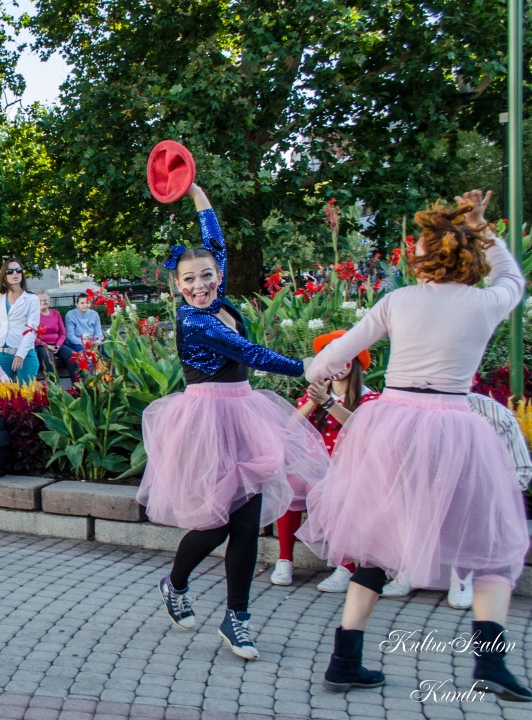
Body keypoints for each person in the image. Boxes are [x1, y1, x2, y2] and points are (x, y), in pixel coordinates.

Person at [299, 190, 530, 700]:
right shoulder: (486, 303)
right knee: (490, 545)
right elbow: (513, 279)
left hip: (393, 426)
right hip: (454, 428)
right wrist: (482, 226)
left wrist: (320, 374)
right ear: (470, 257)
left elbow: (329, 360)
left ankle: (345, 661)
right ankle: (491, 664)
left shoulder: (397, 301)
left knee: (376, 543)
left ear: (423, 257)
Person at [137, 183, 329, 662]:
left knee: (246, 525)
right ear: (177, 285)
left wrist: (195, 192)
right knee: (217, 523)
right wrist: (304, 366)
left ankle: (237, 618)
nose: (199, 285)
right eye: (188, 280)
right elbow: (250, 352)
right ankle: (175, 583)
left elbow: (214, 241)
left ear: (218, 275)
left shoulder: (217, 297)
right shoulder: (194, 320)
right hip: (206, 423)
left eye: (207, 275)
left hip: (244, 416)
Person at [377, 391, 532, 610]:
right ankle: (410, 570)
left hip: (478, 493)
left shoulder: (492, 412)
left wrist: (493, 494)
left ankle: (462, 577)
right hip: (427, 489)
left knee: (468, 499)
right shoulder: (415, 409)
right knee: (404, 495)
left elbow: (521, 469)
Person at [270, 330, 379, 590]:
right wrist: (313, 401)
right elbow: (290, 427)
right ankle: (285, 559)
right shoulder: (317, 395)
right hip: (317, 466)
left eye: (343, 358)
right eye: (330, 358)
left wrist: (328, 402)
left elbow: (360, 428)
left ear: (354, 363)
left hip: (353, 470)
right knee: (291, 484)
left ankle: (346, 567)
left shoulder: (370, 398)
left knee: (318, 489)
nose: (337, 364)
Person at [0, 259, 40, 384]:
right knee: (1, 393)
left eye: (18, 270)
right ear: (4, 276)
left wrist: (20, 354)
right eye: (10, 271)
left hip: (24, 352)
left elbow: (32, 329)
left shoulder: (32, 299)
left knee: (26, 393)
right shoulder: (1, 298)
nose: (15, 274)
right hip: (2, 353)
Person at [33, 291, 76, 380]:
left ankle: (77, 385)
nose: (42, 302)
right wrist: (47, 346)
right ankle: (53, 386)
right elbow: (32, 336)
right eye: (39, 300)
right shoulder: (33, 315)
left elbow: (63, 333)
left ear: (49, 300)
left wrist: (58, 345)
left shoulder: (56, 313)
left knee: (73, 355)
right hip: (42, 346)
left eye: (45, 300)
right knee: (49, 358)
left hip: (57, 345)